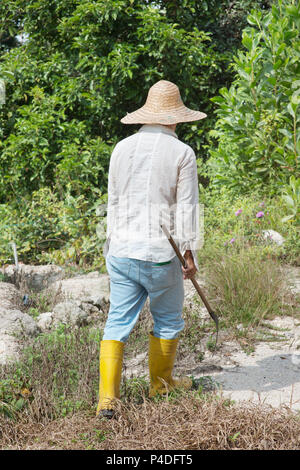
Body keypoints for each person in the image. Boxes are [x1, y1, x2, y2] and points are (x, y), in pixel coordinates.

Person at [96, 80, 207, 418]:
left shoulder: (121, 148)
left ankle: (107, 400)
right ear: (175, 118)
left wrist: (111, 246)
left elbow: (113, 202)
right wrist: (189, 256)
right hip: (161, 256)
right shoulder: (182, 153)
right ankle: (161, 385)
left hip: (122, 250)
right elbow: (186, 210)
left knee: (117, 322)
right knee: (169, 319)